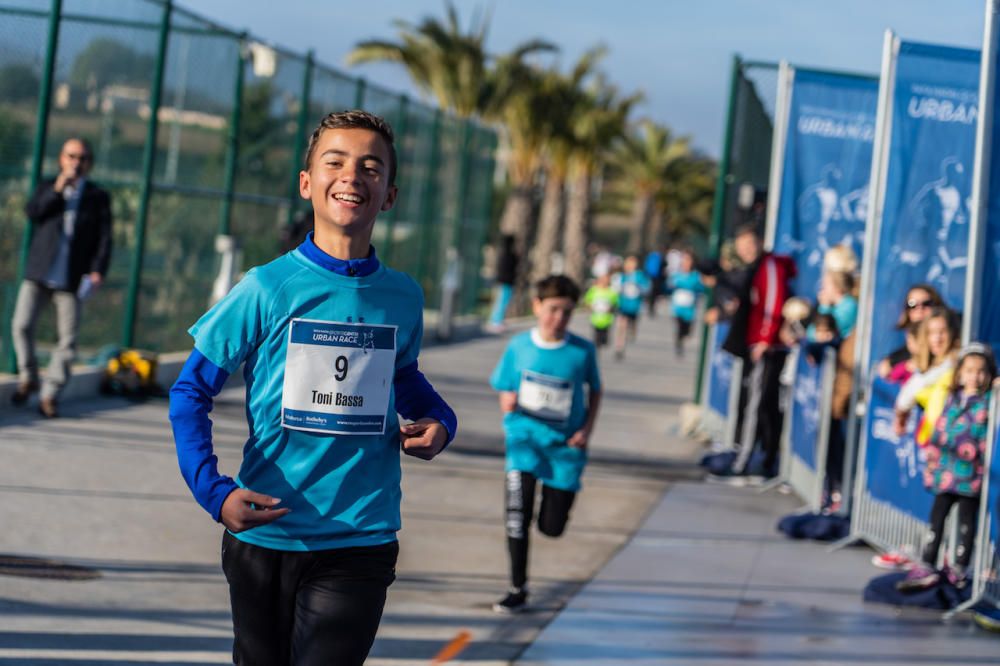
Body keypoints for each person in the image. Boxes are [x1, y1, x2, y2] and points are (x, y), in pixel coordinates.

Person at [168, 110, 457, 665]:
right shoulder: (266, 287)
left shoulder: (403, 296)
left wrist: (442, 421)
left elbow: (404, 378)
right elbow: (190, 392)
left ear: (389, 194)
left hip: (360, 538)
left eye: (371, 167)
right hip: (265, 532)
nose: (353, 176)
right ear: (307, 184)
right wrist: (215, 492)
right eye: (336, 162)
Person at [489, 274, 602, 613]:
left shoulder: (582, 352)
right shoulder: (519, 346)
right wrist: (507, 402)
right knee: (516, 517)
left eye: (567, 312)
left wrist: (586, 430)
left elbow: (595, 390)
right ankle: (517, 587)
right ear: (537, 306)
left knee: (551, 528)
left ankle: (551, 515)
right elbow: (504, 384)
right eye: (553, 309)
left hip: (564, 450)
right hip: (524, 443)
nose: (559, 318)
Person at [10, 137, 112, 418]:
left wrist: (97, 271)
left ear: (89, 163)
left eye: (82, 158)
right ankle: (28, 377)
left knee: (67, 340)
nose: (76, 163)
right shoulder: (48, 186)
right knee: (21, 325)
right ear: (61, 159)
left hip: (71, 277)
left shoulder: (97, 197)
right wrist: (57, 190)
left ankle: (50, 394)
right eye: (71, 156)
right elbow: (33, 213)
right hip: (39, 273)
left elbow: (105, 238)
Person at [896, 343, 995, 591]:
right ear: (960, 373)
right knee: (936, 518)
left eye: (981, 371)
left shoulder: (989, 402)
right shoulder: (950, 397)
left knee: (966, 522)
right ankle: (928, 562)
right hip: (944, 471)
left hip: (971, 476)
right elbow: (936, 422)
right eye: (970, 370)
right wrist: (932, 458)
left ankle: (960, 567)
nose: (975, 376)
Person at [722, 224, 796, 479]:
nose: (745, 251)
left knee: (756, 403)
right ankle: (765, 459)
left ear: (760, 243)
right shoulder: (757, 268)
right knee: (765, 405)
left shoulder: (770, 266)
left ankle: (744, 462)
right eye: (741, 248)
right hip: (757, 342)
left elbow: (773, 302)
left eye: (749, 246)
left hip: (767, 346)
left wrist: (764, 338)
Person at [877, 284, 945, 378]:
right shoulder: (906, 340)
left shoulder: (944, 336)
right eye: (912, 304)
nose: (919, 309)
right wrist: (891, 361)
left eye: (926, 303)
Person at [668, 249, 705, 358]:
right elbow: (669, 285)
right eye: (684, 260)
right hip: (677, 307)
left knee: (687, 331)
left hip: (690, 309)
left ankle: (683, 336)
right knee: (679, 326)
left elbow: (701, 288)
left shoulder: (696, 276)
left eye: (688, 260)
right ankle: (679, 345)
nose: (686, 262)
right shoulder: (677, 275)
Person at [611, 255, 650, 360]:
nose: (630, 266)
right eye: (628, 263)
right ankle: (619, 347)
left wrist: (639, 288)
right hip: (623, 305)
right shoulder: (621, 276)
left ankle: (632, 331)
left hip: (635, 307)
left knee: (631, 327)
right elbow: (615, 289)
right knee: (621, 326)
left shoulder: (639, 276)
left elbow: (647, 288)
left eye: (632, 263)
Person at [486, 234, 518, 333]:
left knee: (500, 302)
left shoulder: (502, 254)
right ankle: (496, 321)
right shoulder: (511, 255)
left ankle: (496, 320)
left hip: (502, 281)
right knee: (502, 303)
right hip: (507, 282)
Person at [584, 272, 618, 351]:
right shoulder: (594, 290)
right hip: (595, 318)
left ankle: (603, 341)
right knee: (596, 336)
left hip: (607, 319)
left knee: (604, 337)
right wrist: (590, 307)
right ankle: (597, 347)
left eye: (606, 281)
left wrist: (611, 308)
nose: (604, 282)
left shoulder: (611, 292)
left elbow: (616, 303)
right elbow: (587, 300)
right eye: (602, 280)